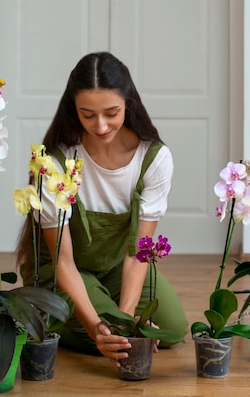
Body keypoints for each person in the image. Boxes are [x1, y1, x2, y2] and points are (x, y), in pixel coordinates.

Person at [17, 52, 187, 364]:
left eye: (111, 113)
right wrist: (99, 329)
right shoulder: (55, 162)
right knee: (108, 336)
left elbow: (138, 251)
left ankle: (90, 312)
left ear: (128, 104)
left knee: (173, 330)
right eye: (88, 115)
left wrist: (125, 319)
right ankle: (36, 312)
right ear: (74, 110)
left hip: (115, 266)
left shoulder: (154, 159)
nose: (101, 125)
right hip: (61, 271)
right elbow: (63, 263)